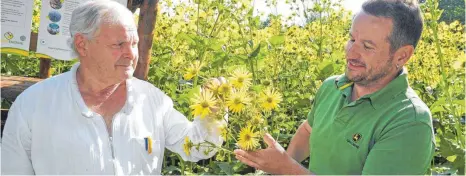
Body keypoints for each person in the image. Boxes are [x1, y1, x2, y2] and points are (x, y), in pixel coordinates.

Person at [1, 0, 224, 174]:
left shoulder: (153, 101)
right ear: (82, 45)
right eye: (119, 44)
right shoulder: (33, 105)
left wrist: (213, 116)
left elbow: (197, 147)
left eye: (134, 43)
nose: (131, 54)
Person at [234, 0, 435, 174]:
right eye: (352, 39)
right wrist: (279, 165)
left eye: (367, 46)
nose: (351, 53)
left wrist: (286, 169)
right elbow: (307, 131)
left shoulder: (410, 121)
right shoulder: (332, 86)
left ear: (402, 55)